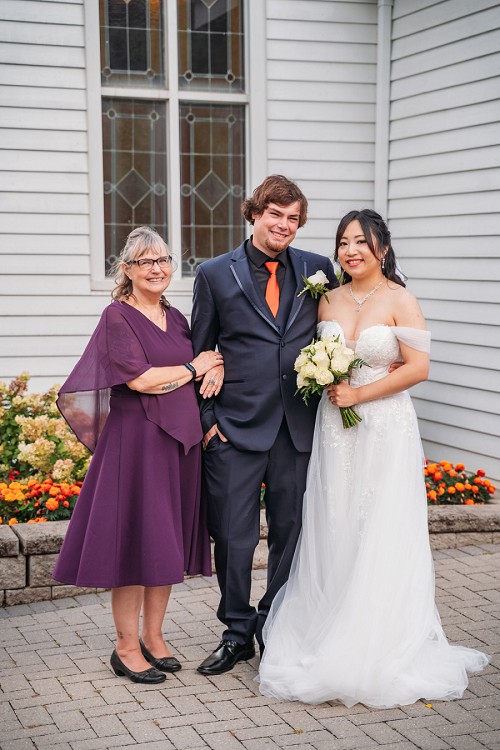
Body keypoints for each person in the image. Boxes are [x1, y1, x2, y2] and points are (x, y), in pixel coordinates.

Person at [258, 209, 489, 707]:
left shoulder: (400, 299)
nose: (350, 251)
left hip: (384, 425)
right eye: (343, 242)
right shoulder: (326, 300)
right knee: (336, 522)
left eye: (361, 242)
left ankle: (381, 639)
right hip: (335, 430)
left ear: (381, 247)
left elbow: (419, 367)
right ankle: (330, 627)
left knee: (381, 524)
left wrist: (360, 396)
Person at [53, 227, 222, 684]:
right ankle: (126, 646)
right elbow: (141, 380)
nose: (156, 268)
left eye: (163, 260)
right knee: (133, 541)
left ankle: (154, 636)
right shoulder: (117, 317)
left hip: (177, 443)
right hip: (136, 443)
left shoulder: (178, 318)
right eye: (144, 261)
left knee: (162, 539)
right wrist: (192, 368)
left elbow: (201, 363)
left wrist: (213, 366)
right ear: (126, 270)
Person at [190, 175, 338, 675]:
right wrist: (210, 422)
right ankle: (235, 632)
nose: (285, 225)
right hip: (234, 426)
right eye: (276, 214)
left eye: (294, 218)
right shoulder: (214, 274)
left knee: (290, 532)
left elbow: (340, 328)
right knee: (233, 537)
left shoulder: (319, 270)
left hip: (297, 427)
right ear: (254, 214)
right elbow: (200, 352)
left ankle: (274, 622)